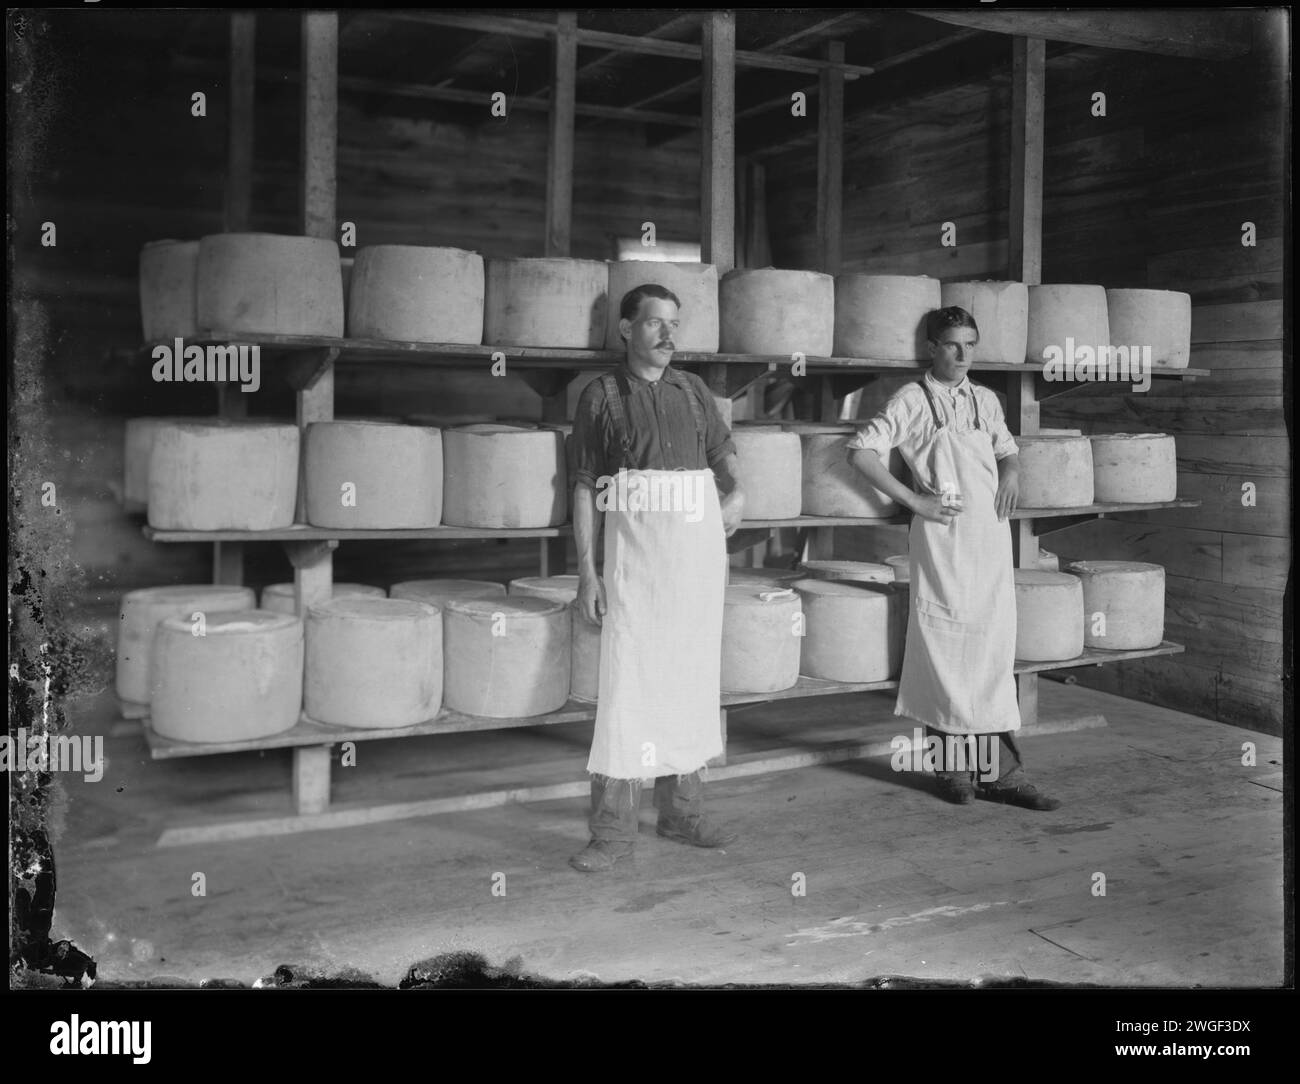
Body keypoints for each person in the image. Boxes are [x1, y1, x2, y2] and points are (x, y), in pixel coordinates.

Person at [846, 306, 1061, 811]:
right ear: (931, 348)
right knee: (946, 648)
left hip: (989, 537)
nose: (963, 356)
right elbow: (860, 452)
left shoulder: (985, 400)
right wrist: (915, 501)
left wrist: (1010, 474)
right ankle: (953, 772)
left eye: (971, 345)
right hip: (943, 540)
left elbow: (1007, 450)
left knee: (991, 652)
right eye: (952, 345)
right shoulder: (911, 399)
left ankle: (1001, 775)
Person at [568, 283, 746, 872]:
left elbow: (724, 454)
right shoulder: (600, 395)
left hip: (693, 559)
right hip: (636, 559)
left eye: (675, 324)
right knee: (628, 687)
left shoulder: (693, 390)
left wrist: (738, 492)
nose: (669, 336)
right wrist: (588, 576)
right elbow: (586, 487)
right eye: (654, 324)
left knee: (692, 680)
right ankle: (613, 834)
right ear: (626, 329)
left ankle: (683, 814)